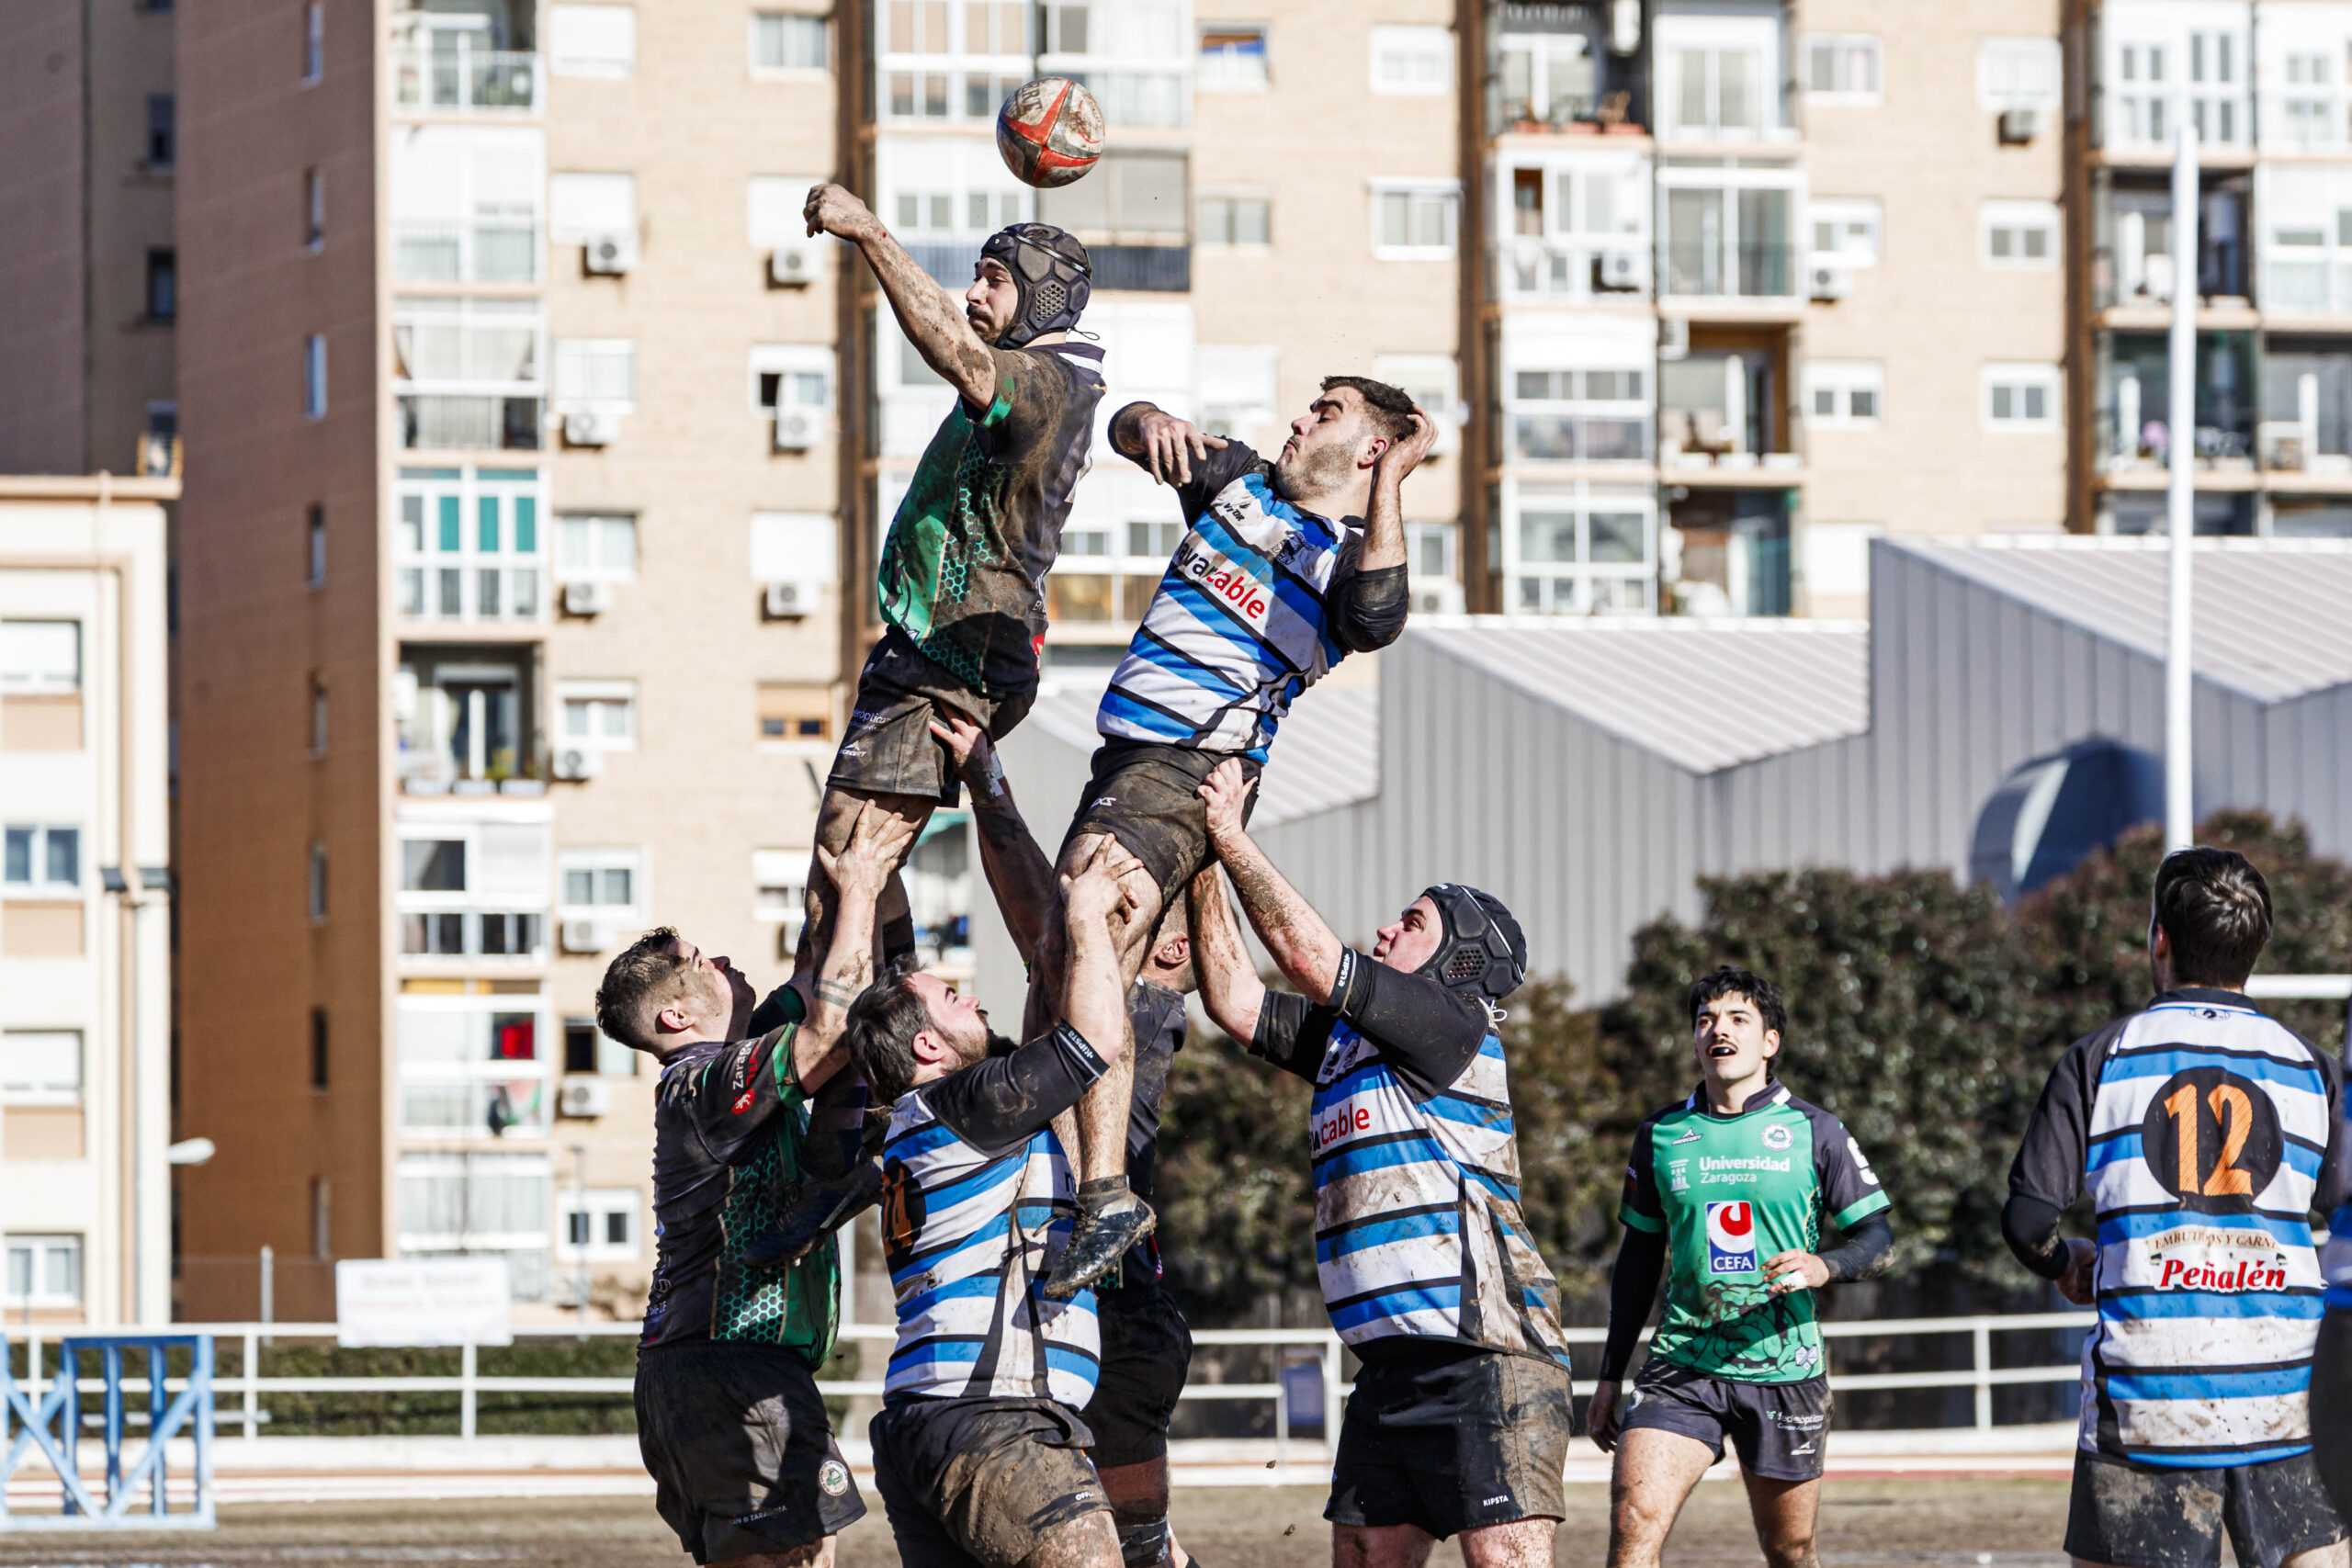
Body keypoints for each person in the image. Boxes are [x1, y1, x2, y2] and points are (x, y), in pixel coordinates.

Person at [1036, 378, 1435, 1295]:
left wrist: (1398, 478)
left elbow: (1377, 619)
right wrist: (1152, 424)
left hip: (1186, 769)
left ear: (1371, 449)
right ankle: (1075, 1189)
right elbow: (1126, 428)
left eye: (1325, 413)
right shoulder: (1240, 484)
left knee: (1087, 908)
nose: (1299, 419)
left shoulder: (1347, 561)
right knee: (1068, 972)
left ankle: (1099, 1190)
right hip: (1126, 761)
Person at [777, 183, 1106, 1247]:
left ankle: (822, 1101)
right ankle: (838, 1077)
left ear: (1041, 297)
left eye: (994, 279)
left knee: (851, 866)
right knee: (845, 873)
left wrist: (873, 233)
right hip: (935, 653)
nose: (974, 294)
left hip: (952, 653)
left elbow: (963, 363)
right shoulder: (1039, 374)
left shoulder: (1049, 379)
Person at [1185, 760, 1576, 1568]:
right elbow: (1232, 996)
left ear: (1458, 960)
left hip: (1485, 1357)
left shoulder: (1451, 1020)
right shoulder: (1348, 1043)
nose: (1387, 930)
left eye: (1412, 921)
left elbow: (1307, 956)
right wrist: (1199, 858)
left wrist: (1230, 832)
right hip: (1390, 1369)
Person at [2005, 847, 2348, 1568]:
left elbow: (2028, 1222)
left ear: (2158, 937)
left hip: (2149, 1396)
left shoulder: (2100, 1058)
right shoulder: (2312, 1067)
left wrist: (2067, 1260)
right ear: (2255, 947)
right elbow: (2339, 1205)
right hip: (2288, 1391)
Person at [597, 802, 909, 1567]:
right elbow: (833, 1029)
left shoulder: (743, 1056)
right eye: (702, 960)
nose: (726, 958)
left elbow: (830, 965)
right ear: (675, 1013)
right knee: (798, 1556)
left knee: (797, 1552)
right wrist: (863, 883)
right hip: (727, 1358)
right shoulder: (702, 1078)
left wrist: (856, 850)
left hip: (702, 1364)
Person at [844, 839, 1142, 1568]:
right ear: (926, 1045)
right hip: (992, 1418)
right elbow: (1095, 1037)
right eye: (953, 998)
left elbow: (1047, 1006)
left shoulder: (919, 1125)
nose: (972, 997)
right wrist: (1086, 917)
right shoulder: (964, 1104)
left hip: (925, 1420)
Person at [1587, 965, 1895, 1568]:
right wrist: (1608, 1373)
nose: (1717, 1030)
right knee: (1632, 1522)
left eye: (1736, 1018)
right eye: (1705, 1020)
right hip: (1683, 1361)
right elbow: (1638, 1260)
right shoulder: (1662, 1133)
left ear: (1770, 1041)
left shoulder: (1815, 1130)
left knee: (1791, 1548)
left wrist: (1824, 1265)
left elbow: (1878, 1236)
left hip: (1785, 1366)